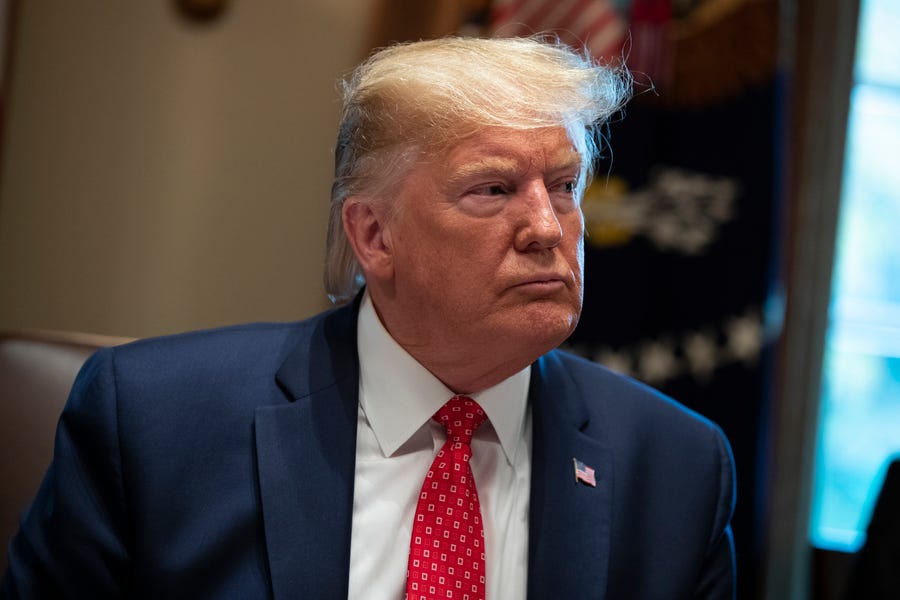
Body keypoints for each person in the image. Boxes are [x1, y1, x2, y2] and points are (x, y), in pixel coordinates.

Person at [1, 36, 735, 599]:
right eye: (493, 189)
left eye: (565, 185)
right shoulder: (153, 424)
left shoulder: (676, 469)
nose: (547, 227)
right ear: (374, 236)